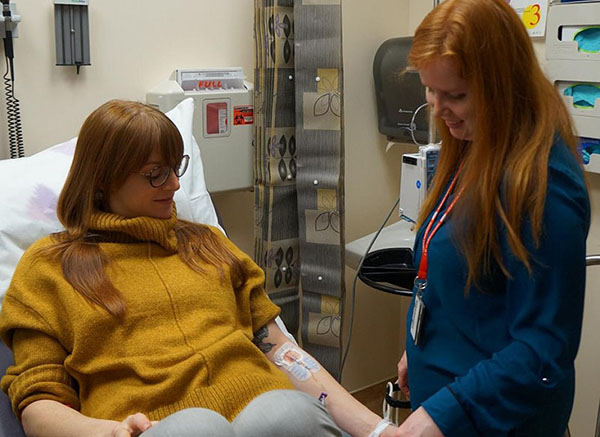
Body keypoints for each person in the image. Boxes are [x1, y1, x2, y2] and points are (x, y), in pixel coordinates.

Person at [0, 100, 398, 437]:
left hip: (262, 408)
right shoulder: (50, 267)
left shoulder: (207, 243)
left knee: (287, 414)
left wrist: (379, 430)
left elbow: (280, 349)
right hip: (151, 424)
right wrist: (107, 431)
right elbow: (38, 399)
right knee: (196, 428)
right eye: (155, 174)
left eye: (177, 167)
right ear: (102, 180)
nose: (174, 185)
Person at [394, 1, 590, 436]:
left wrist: (442, 413)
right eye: (430, 90)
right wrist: (418, 347)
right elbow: (456, 278)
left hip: (499, 422)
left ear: (504, 85)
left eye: (456, 95)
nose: (438, 109)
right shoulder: (474, 142)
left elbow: (543, 351)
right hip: (449, 401)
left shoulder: (543, 186)